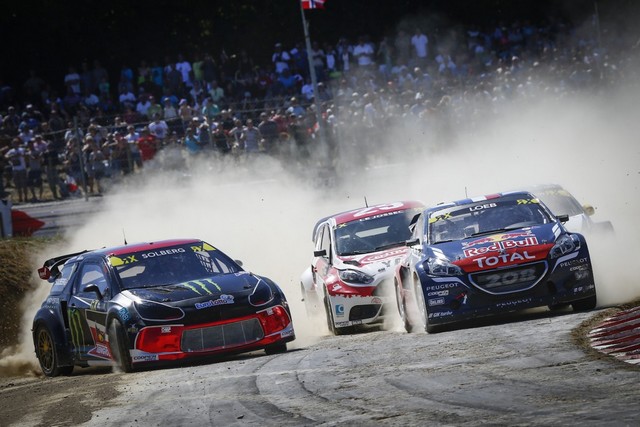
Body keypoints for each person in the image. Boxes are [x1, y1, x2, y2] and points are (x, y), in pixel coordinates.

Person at [5, 138, 28, 203]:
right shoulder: (11, 151)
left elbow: (25, 154)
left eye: (15, 143)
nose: (14, 144)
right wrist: (11, 156)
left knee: (24, 184)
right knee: (18, 185)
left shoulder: (21, 149)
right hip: (15, 169)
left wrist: (20, 154)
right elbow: (6, 156)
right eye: (13, 143)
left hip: (22, 168)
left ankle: (26, 197)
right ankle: (20, 198)